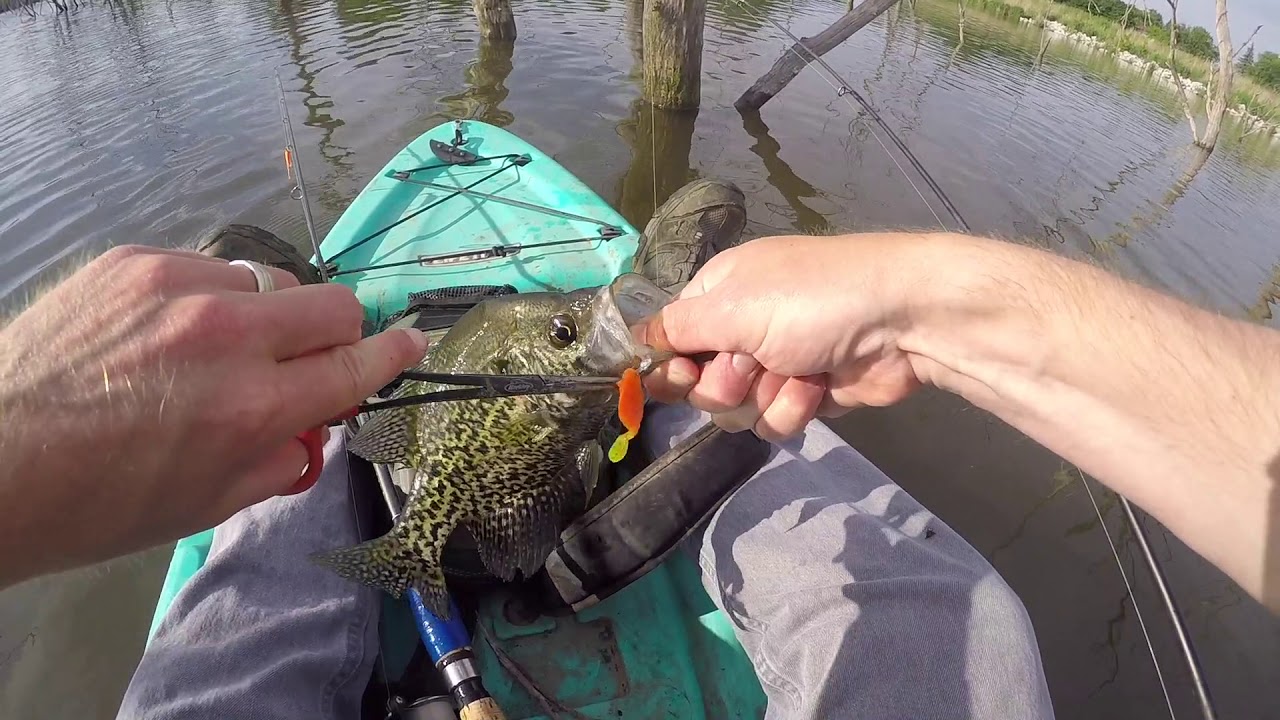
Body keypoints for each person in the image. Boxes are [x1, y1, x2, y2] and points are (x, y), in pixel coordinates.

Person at [0, 179, 1274, 719]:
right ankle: (668, 391)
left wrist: (38, 435)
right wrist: (914, 305)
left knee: (267, 521)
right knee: (937, 601)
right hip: (583, 435)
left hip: (451, 470)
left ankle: (306, 448)